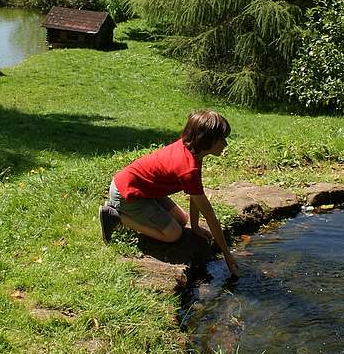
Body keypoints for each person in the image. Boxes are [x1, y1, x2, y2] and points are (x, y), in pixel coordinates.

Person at [99, 110, 239, 277]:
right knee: (173, 234)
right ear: (207, 140)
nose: (225, 144)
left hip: (144, 189)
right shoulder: (188, 167)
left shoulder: (193, 151)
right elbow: (209, 215)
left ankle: (130, 214)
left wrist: (194, 226)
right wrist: (227, 254)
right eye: (222, 139)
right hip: (127, 194)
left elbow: (196, 195)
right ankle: (115, 216)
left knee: (182, 220)